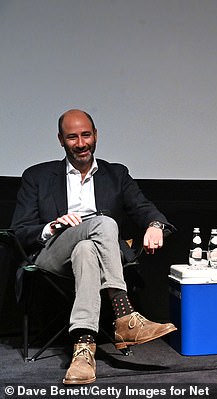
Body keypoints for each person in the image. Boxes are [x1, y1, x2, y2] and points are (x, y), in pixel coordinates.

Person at [11, 109, 177, 384]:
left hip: (94, 254)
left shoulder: (116, 174)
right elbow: (20, 228)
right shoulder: (37, 176)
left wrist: (156, 225)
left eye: (86, 135)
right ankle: (124, 315)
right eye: (72, 137)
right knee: (104, 223)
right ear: (61, 140)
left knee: (86, 250)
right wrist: (52, 226)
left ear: (96, 135)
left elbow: (144, 208)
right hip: (52, 252)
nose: (81, 143)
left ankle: (83, 348)